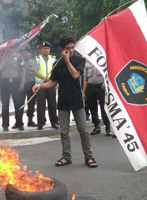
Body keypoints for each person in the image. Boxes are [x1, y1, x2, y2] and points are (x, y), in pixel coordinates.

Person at [33, 35, 98, 168]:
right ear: (63, 49)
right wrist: (39, 86)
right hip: (63, 100)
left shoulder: (79, 60)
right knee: (64, 132)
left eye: (73, 47)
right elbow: (53, 82)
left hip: (77, 100)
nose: (71, 50)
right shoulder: (58, 64)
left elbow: (75, 75)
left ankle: (89, 157)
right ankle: (66, 157)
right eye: (68, 48)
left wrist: (67, 60)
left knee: (83, 131)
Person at [82, 60, 111, 136]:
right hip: (90, 87)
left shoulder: (103, 61)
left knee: (103, 108)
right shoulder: (87, 63)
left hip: (101, 87)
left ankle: (107, 127)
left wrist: (105, 83)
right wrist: (83, 91)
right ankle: (96, 126)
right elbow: (85, 78)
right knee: (92, 108)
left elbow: (108, 74)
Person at [35, 41, 58, 130]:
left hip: (51, 84)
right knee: (41, 104)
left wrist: (51, 79)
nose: (46, 50)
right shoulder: (37, 59)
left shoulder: (53, 59)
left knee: (52, 104)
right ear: (41, 50)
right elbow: (35, 71)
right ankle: (40, 123)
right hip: (40, 85)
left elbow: (56, 70)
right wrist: (45, 78)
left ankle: (54, 122)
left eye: (48, 48)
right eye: (44, 48)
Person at [0, 52, 25, 131]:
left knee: (18, 104)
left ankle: (19, 123)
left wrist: (22, 82)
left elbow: (22, 70)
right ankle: (5, 125)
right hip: (4, 82)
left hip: (16, 81)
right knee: (5, 104)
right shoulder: (1, 56)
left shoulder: (19, 56)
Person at [22, 47, 39, 127]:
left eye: (27, 52)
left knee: (31, 103)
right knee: (19, 103)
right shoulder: (19, 62)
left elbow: (36, 72)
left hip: (31, 84)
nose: (26, 54)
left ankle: (30, 120)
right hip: (21, 85)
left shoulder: (33, 61)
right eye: (24, 52)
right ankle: (18, 122)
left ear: (30, 53)